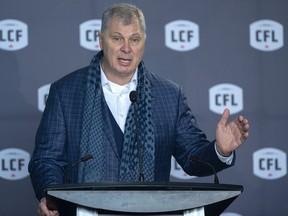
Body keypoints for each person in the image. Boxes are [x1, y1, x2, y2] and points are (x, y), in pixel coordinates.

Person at [28, 3, 249, 216]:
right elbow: (46, 160)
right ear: (101, 40)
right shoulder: (65, 92)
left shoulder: (169, 95)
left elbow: (192, 158)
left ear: (144, 42)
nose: (126, 48)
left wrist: (221, 149)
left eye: (134, 39)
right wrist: (52, 195)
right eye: (117, 38)